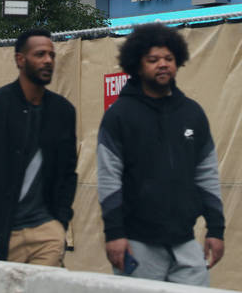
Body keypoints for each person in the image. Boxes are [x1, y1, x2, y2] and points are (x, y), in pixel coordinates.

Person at [97, 23, 225, 285]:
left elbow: (208, 173)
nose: (163, 65)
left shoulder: (193, 113)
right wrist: (114, 234)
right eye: (153, 60)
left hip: (186, 244)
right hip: (136, 244)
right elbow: (109, 179)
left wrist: (216, 229)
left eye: (168, 58)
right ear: (137, 64)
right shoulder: (119, 116)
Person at [0, 29, 77, 265]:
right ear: (21, 59)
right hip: (1, 231)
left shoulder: (63, 112)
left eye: (52, 55)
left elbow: (68, 173)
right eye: (40, 54)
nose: (48, 60)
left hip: (46, 232)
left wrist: (59, 224)